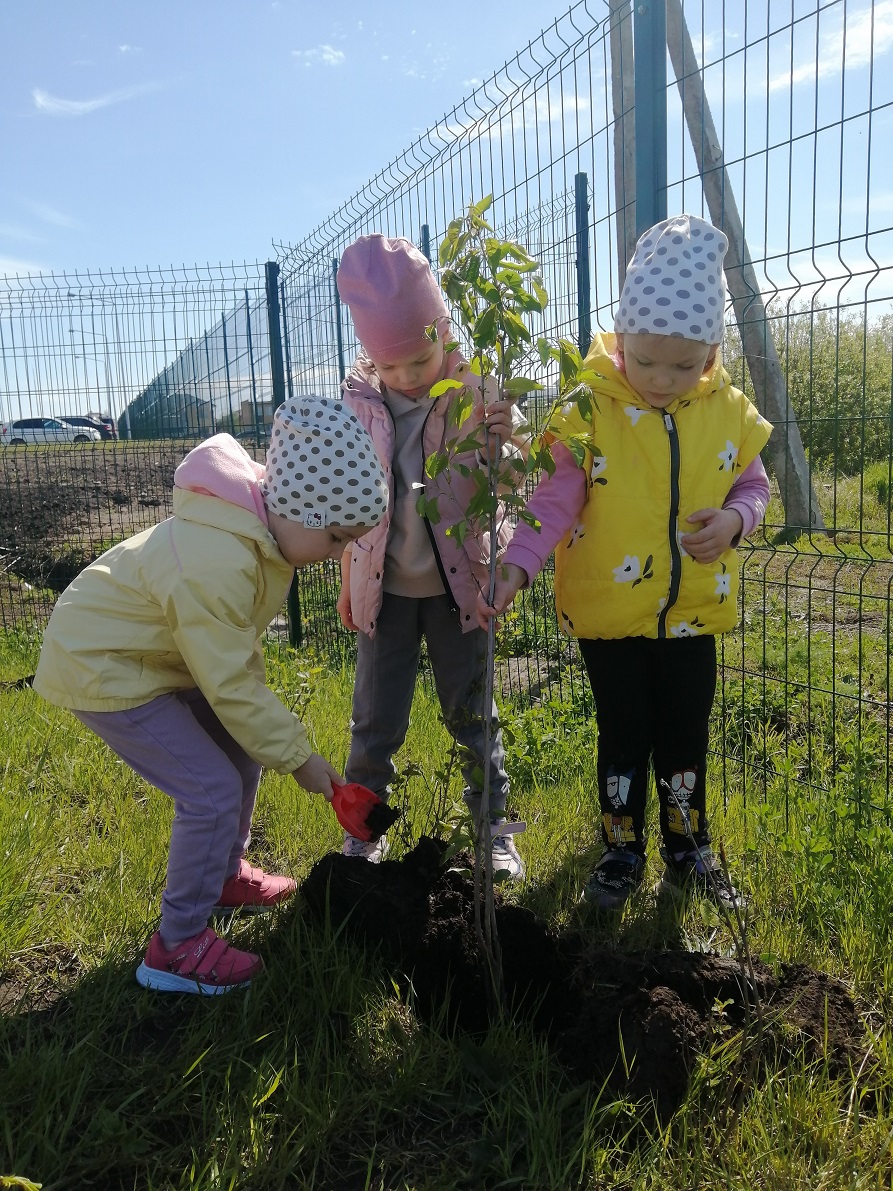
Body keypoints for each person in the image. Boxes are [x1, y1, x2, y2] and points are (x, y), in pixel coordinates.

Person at [33, 398, 388, 993]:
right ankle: (176, 948)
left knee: (239, 755)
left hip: (159, 661)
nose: (335, 554)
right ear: (299, 507)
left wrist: (270, 742)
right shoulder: (217, 560)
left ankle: (221, 875)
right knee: (211, 791)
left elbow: (232, 658)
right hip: (105, 666)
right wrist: (299, 757)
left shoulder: (254, 534)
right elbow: (226, 681)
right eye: (334, 537)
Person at [478, 214, 773, 911]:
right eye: (645, 361)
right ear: (621, 341)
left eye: (683, 364)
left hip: (692, 610)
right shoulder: (589, 409)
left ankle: (688, 846)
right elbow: (551, 498)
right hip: (609, 617)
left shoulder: (727, 410)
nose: (662, 379)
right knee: (624, 733)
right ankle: (618, 849)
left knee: (683, 735)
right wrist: (516, 564)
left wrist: (734, 521)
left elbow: (754, 486)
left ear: (709, 353)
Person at [334, 233, 527, 877]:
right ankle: (366, 830)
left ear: (443, 333)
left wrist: (511, 444)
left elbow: (508, 489)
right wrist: (347, 583)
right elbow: (352, 506)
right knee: (375, 720)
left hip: (458, 591)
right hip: (384, 593)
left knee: (473, 712)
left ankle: (493, 830)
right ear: (371, 362)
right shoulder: (360, 408)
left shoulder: (478, 395)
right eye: (392, 369)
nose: (410, 380)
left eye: (421, 361)